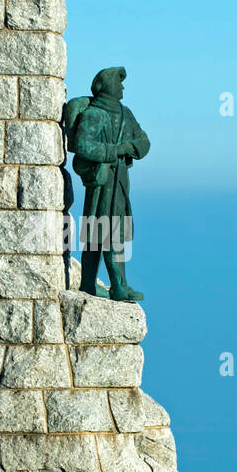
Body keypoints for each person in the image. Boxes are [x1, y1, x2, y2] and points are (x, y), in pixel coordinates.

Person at [70, 66, 150, 302]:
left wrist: (131, 149)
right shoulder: (94, 114)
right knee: (107, 231)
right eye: (118, 82)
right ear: (105, 86)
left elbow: (144, 141)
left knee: (104, 232)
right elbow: (84, 146)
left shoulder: (126, 114)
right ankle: (117, 286)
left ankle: (91, 283)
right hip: (101, 181)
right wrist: (117, 150)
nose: (122, 87)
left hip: (120, 180)